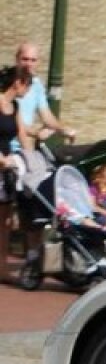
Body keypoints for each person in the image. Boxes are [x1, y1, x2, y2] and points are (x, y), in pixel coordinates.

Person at [0, 65, 32, 281]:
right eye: (27, 85)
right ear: (18, 82)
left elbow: (22, 135)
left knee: (5, 220)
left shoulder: (16, 107)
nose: (27, 91)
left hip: (6, 167)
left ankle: (1, 267)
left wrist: (32, 160)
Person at [13, 42, 76, 147]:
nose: (29, 64)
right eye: (25, 59)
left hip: (23, 147)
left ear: (38, 62)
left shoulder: (36, 84)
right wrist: (35, 133)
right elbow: (7, 120)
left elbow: (46, 116)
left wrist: (63, 129)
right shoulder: (6, 83)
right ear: (17, 59)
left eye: (33, 60)